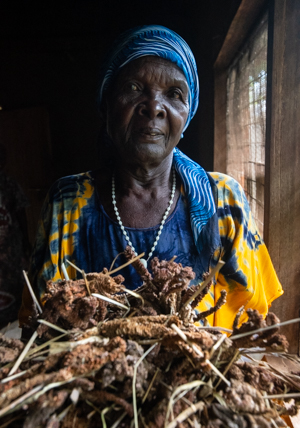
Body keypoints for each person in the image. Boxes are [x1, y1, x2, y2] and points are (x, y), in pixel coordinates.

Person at [19, 25, 283, 330]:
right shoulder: (67, 203)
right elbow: (39, 325)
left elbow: (254, 325)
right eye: (133, 88)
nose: (154, 107)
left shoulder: (223, 200)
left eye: (174, 94)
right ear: (107, 106)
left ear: (187, 115)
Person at [0, 143, 31, 324]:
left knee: (15, 286)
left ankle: (14, 326)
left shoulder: (8, 183)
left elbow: (20, 212)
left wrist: (26, 242)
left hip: (10, 248)